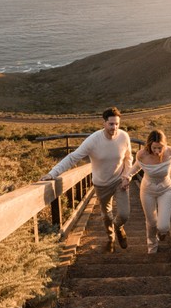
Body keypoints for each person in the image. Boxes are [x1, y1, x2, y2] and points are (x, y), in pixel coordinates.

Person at [41, 107, 133, 253]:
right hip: (101, 184)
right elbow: (73, 157)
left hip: (119, 181)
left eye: (117, 124)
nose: (114, 128)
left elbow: (129, 157)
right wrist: (53, 173)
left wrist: (127, 176)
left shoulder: (124, 136)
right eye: (111, 124)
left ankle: (119, 227)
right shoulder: (93, 140)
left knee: (124, 214)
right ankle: (111, 239)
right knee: (106, 216)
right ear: (104, 123)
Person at [131, 129, 171, 254]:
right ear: (149, 145)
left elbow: (170, 165)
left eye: (160, 148)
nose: (157, 151)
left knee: (163, 226)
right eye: (154, 148)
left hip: (166, 189)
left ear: (165, 144)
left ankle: (162, 233)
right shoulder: (142, 154)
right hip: (147, 190)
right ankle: (152, 247)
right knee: (151, 222)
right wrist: (126, 177)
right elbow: (135, 167)